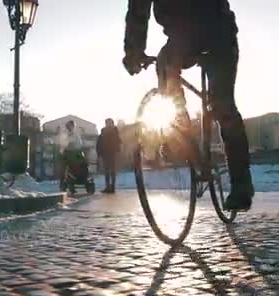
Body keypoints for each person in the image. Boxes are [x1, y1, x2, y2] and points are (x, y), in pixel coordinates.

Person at [122, 0, 254, 210]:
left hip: (219, 32)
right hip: (182, 39)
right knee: (165, 63)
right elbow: (138, 11)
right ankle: (182, 135)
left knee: (222, 105)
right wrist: (133, 53)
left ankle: (241, 183)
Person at [96, 118, 122, 194]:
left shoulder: (115, 131)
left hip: (113, 153)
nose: (108, 124)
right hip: (105, 154)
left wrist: (118, 152)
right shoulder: (103, 131)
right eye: (107, 123)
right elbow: (99, 142)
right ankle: (107, 187)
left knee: (112, 171)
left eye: (110, 123)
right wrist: (99, 152)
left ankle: (112, 187)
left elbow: (118, 142)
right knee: (107, 171)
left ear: (112, 123)